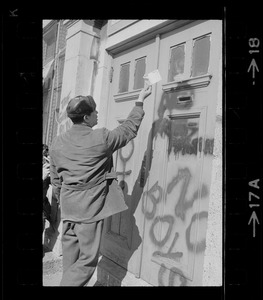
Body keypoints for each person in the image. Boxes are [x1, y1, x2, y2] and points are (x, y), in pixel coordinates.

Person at [49, 84, 152, 286]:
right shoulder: (101, 138)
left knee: (71, 262)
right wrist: (140, 101)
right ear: (86, 117)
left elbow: (55, 179)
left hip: (68, 209)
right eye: (94, 111)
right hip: (89, 211)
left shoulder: (57, 142)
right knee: (87, 262)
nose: (98, 113)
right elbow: (128, 129)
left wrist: (61, 200)